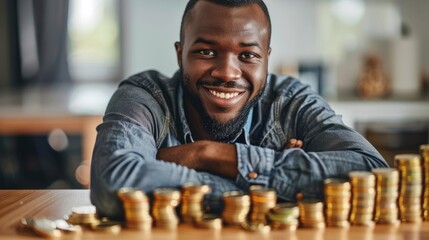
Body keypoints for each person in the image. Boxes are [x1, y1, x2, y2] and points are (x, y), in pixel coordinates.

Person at [90, 0, 388, 218]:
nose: (227, 72)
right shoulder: (144, 96)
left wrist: (205, 155)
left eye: (247, 55)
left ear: (267, 60)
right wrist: (278, 180)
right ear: (180, 54)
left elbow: (374, 174)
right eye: (206, 51)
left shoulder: (290, 101)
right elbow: (114, 184)